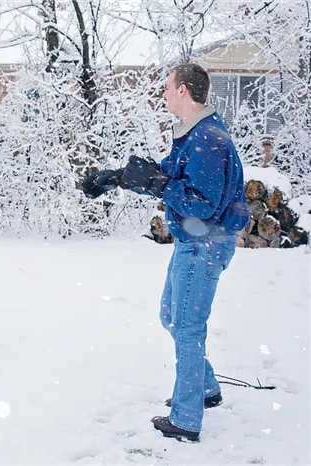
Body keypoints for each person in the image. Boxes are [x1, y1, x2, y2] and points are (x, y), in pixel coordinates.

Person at [83, 63, 250, 441]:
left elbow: (200, 203)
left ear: (185, 91)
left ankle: (186, 420)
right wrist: (115, 178)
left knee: (187, 327)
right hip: (196, 241)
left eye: (168, 87)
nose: (163, 93)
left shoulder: (208, 140)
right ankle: (205, 388)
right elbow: (168, 177)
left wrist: (160, 186)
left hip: (204, 242)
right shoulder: (196, 135)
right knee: (171, 315)